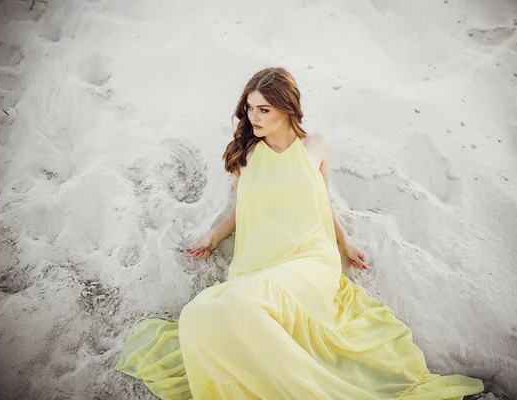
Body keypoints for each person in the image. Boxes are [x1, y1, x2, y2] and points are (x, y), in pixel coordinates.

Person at [116, 67, 484, 399]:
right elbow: (244, 207)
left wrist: (345, 240)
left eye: (264, 110)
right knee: (198, 315)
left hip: (310, 258)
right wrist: (213, 236)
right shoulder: (245, 155)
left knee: (241, 309)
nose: (253, 117)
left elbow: (321, 197)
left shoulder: (317, 145)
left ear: (287, 110)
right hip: (258, 261)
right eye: (249, 108)